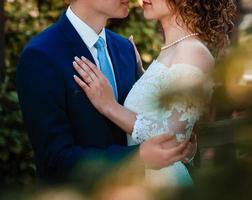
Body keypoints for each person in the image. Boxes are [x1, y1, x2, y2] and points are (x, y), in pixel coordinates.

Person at [16, 0, 193, 183]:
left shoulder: (125, 49)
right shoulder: (40, 56)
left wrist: (175, 138)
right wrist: (137, 158)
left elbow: (137, 121)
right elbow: (54, 160)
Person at [72, 0, 237, 186]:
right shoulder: (172, 50)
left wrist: (109, 106)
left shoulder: (194, 52)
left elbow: (171, 139)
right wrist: (140, 75)